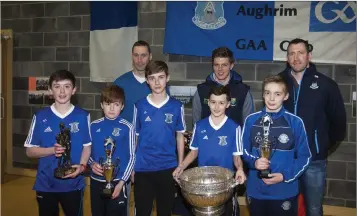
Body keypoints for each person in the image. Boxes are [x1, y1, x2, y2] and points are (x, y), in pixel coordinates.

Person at [279, 38, 346, 216]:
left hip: (313, 160)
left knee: (314, 208)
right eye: (291, 53)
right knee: (285, 206)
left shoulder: (326, 85)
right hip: (285, 158)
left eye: (300, 53)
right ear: (287, 58)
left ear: (309, 56)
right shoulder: (278, 82)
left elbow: (339, 123)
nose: (296, 57)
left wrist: (320, 145)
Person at [241, 75, 311, 216]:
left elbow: (305, 157)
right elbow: (242, 150)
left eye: (277, 94)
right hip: (256, 191)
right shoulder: (251, 120)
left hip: (284, 191)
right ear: (263, 94)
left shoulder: (295, 122)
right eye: (268, 93)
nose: (272, 99)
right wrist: (254, 162)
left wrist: (284, 176)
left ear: (285, 96)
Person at [24, 70, 91, 216]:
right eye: (57, 86)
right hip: (46, 184)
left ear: (74, 90)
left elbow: (87, 146)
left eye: (67, 86)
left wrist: (82, 166)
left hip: (74, 185)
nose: (62, 91)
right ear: (50, 90)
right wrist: (52, 151)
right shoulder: (40, 117)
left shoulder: (83, 116)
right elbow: (29, 151)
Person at [173, 85, 246, 216]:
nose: (217, 107)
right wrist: (181, 166)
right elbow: (194, 152)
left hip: (225, 184)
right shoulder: (199, 126)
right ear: (208, 102)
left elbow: (237, 157)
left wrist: (240, 169)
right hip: (203, 184)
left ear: (228, 104)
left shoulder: (234, 128)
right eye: (213, 102)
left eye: (221, 103)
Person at [133, 60, 186, 216]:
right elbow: (135, 138)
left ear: (167, 78)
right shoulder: (140, 106)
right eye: (152, 78)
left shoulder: (177, 106)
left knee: (165, 212)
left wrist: (180, 165)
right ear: (147, 81)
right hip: (143, 168)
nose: (157, 82)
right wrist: (132, 167)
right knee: (143, 212)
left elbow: (180, 136)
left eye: (160, 77)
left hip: (168, 167)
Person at [113, 40, 152, 215]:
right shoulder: (120, 83)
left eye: (143, 55)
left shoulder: (157, 84)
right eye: (136, 55)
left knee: (144, 201)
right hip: (123, 148)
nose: (140, 59)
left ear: (150, 57)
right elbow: (111, 116)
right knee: (121, 197)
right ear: (132, 57)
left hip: (148, 150)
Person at [88, 85, 135, 216]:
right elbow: (86, 153)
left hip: (117, 182)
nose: (112, 108)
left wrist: (122, 183)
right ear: (102, 105)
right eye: (108, 104)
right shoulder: (93, 126)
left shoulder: (128, 127)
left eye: (116, 104)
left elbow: (132, 157)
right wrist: (91, 164)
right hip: (96, 181)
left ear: (122, 106)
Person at [192, 47, 254, 126]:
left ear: (231, 66)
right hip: (208, 138)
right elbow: (196, 125)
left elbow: (248, 126)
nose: (220, 69)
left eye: (224, 65)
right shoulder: (201, 91)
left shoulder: (243, 91)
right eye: (216, 65)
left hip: (234, 138)